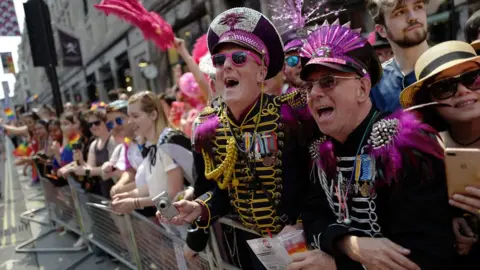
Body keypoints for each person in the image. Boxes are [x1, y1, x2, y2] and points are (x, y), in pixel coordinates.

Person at [289, 19, 455, 270]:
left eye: (328, 81)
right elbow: (314, 217)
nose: (313, 94)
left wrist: (338, 266)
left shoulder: (406, 145)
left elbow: (424, 256)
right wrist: (348, 244)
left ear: (363, 88)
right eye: (310, 86)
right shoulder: (322, 152)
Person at [163, 7, 311, 269]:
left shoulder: (294, 116)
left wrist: (301, 221)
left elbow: (322, 185)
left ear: (261, 72)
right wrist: (200, 208)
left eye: (239, 57)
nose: (227, 65)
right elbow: (221, 191)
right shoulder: (208, 127)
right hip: (250, 247)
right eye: (219, 61)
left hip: (302, 247)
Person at [399, 40, 480, 267]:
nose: (463, 90)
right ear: (429, 102)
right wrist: (448, 223)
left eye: (473, 77)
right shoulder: (422, 155)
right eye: (445, 86)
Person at [111, 92, 191, 225]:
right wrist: (129, 195)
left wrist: (135, 203)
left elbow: (173, 194)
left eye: (135, 116)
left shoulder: (169, 140)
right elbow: (156, 184)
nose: (130, 122)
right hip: (172, 220)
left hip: (188, 219)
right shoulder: (151, 145)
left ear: (153, 115)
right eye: (129, 116)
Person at [367, 0, 429, 112]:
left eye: (418, 7)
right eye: (400, 12)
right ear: (381, 30)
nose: (413, 17)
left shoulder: (455, 63)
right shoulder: (376, 87)